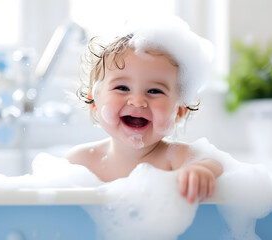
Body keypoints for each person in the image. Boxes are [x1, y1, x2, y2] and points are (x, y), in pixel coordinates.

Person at [65, 16, 223, 204]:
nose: (138, 101)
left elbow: (214, 163)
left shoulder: (176, 157)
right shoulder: (80, 161)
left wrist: (201, 171)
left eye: (155, 91)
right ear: (95, 103)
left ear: (178, 112)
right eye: (122, 88)